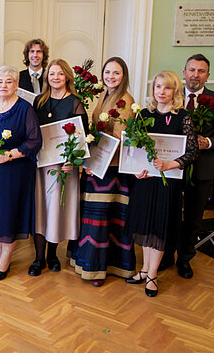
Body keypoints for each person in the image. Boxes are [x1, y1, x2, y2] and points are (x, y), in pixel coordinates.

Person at [126, 71, 197, 297]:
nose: (162, 92)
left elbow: (192, 151)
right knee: (146, 226)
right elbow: (134, 148)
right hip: (146, 181)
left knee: (159, 226)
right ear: (153, 89)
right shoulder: (144, 114)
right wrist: (137, 169)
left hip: (168, 182)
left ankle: (153, 275)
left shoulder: (182, 117)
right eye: (158, 87)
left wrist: (170, 165)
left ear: (175, 91)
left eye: (167, 88)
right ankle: (145, 269)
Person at [68, 57, 136, 286]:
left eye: (116, 73)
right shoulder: (103, 95)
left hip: (112, 170)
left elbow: (118, 138)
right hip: (98, 166)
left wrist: (95, 160)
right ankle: (88, 264)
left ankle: (99, 269)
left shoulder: (125, 100)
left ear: (123, 76)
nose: (111, 77)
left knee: (105, 221)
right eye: (108, 72)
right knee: (93, 218)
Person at [164, 54, 214, 279]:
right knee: (169, 213)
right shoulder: (170, 94)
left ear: (207, 75)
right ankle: (165, 255)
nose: (195, 75)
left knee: (193, 217)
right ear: (184, 73)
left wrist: (208, 142)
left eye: (201, 71)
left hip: (201, 169)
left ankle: (185, 259)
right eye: (191, 70)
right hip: (172, 167)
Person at [0, 66, 42, 281]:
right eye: (0, 81)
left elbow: (34, 141)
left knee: (8, 214)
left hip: (14, 172)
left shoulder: (25, 109)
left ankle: (5, 260)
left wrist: (9, 155)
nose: (4, 85)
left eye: (9, 81)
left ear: (16, 85)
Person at [31, 59, 88, 277]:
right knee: (40, 210)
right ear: (47, 77)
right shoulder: (39, 101)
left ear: (67, 77)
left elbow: (83, 137)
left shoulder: (75, 102)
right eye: (52, 74)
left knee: (56, 210)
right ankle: (38, 258)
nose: (55, 77)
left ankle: (52, 255)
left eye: (60, 74)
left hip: (64, 166)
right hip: (41, 164)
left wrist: (72, 161)